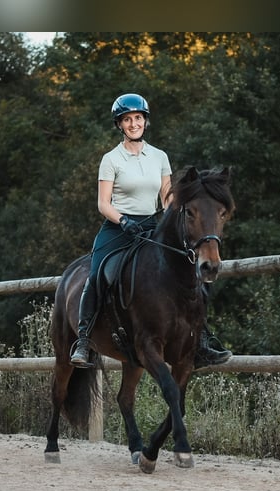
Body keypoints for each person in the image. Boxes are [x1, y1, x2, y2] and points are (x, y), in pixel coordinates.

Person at [70, 93, 232, 369]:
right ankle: (84, 340)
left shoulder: (159, 156)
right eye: (127, 120)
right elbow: (102, 203)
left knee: (190, 273)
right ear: (119, 125)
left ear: (145, 122)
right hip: (117, 229)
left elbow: (167, 199)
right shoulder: (111, 160)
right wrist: (123, 221)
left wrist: (176, 220)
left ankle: (202, 339)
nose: (134, 124)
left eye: (138, 118)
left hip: (150, 227)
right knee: (98, 275)